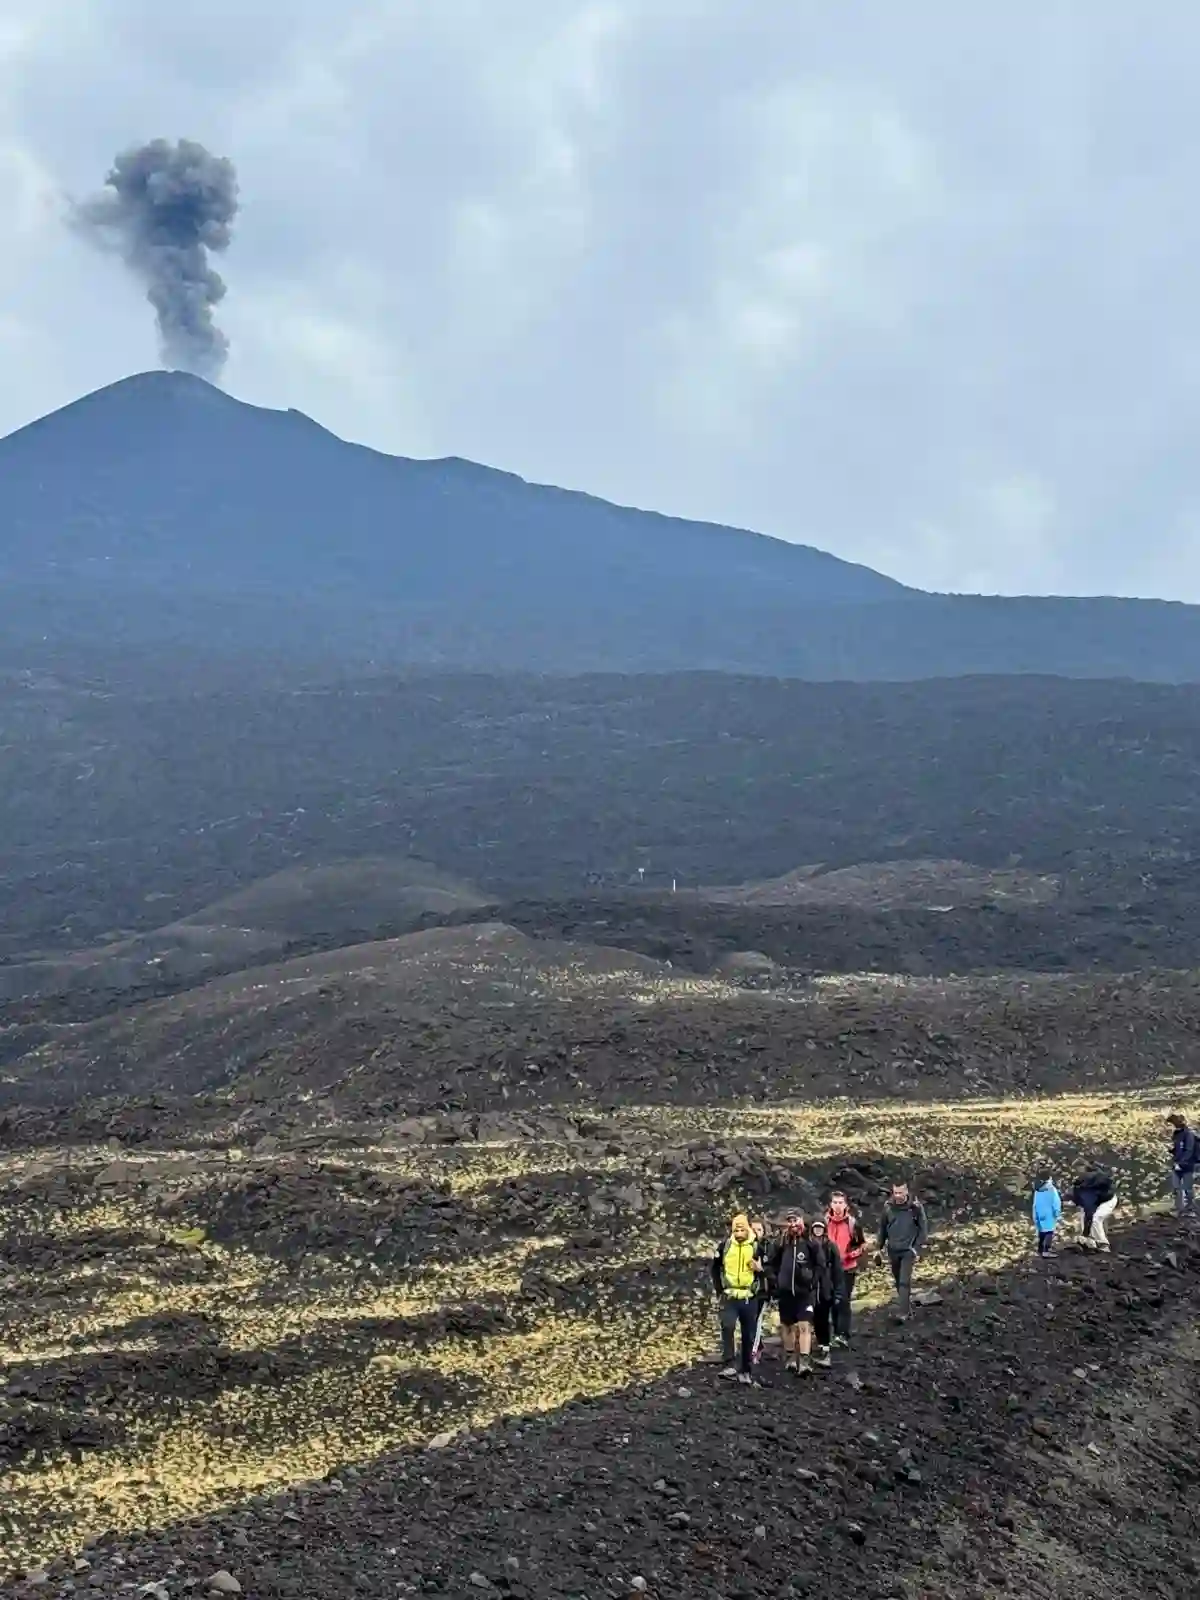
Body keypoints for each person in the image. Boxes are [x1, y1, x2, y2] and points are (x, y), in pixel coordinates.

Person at [711, 1212, 764, 1384]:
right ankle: (729, 1364)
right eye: (736, 1230)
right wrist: (719, 1290)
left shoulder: (757, 1247)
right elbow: (715, 1268)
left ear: (748, 1229)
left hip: (749, 1296)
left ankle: (745, 1369)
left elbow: (769, 1269)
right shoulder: (725, 1246)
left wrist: (760, 1269)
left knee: (748, 1334)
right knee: (727, 1326)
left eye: (742, 1229)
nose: (739, 1233)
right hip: (730, 1295)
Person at [767, 1214, 816, 1376]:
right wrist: (776, 1281)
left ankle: (804, 1361)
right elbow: (770, 1264)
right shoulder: (780, 1243)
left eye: (796, 1220)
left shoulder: (810, 1242)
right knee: (787, 1326)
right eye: (790, 1221)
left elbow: (820, 1265)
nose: (793, 1224)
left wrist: (812, 1281)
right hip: (785, 1292)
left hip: (804, 1293)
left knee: (804, 1325)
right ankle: (790, 1357)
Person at [877, 1180, 929, 1321]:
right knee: (898, 1280)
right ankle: (907, 1308)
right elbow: (882, 1228)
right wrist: (879, 1248)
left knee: (904, 1281)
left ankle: (903, 1313)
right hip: (893, 1249)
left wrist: (916, 1249)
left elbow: (923, 1230)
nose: (898, 1196)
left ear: (906, 1191)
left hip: (908, 1250)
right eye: (895, 1192)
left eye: (900, 1192)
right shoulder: (888, 1207)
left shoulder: (915, 1208)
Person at [824, 1191, 866, 1346]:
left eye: (840, 1202)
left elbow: (862, 1245)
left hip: (848, 1268)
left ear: (846, 1205)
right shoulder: (824, 1222)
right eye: (835, 1202)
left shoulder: (852, 1223)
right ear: (830, 1204)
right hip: (829, 1269)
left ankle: (843, 1334)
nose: (837, 1206)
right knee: (831, 1301)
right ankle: (836, 1333)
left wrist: (849, 1256)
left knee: (843, 1301)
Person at [805, 1217, 844, 1367]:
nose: (818, 1230)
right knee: (813, 1317)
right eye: (815, 1227)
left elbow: (837, 1270)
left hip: (826, 1287)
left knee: (823, 1318)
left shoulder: (830, 1246)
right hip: (812, 1286)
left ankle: (825, 1347)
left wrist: (837, 1291)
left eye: (820, 1228)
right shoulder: (807, 1244)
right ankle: (818, 1345)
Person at [1071, 1169, 1117, 1251]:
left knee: (1096, 1218)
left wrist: (1085, 1233)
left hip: (1108, 1201)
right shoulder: (1081, 1186)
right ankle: (1090, 1239)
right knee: (1084, 1216)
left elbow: (1089, 1213)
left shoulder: (1087, 1194)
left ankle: (1103, 1244)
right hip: (1100, 1198)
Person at [749, 1217, 771, 1365]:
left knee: (756, 1320)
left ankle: (753, 1351)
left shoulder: (768, 1247)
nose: (756, 1232)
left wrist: (761, 1269)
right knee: (748, 1320)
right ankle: (758, 1345)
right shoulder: (744, 1246)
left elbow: (773, 1269)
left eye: (759, 1229)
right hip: (746, 1289)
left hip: (762, 1289)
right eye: (753, 1229)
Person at [1167, 1113, 1198, 1217]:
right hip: (1177, 1164)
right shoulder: (1177, 1134)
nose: (1173, 1124)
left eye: (1174, 1122)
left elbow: (1189, 1150)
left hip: (1187, 1165)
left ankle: (1189, 1210)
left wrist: (1180, 1162)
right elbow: (1178, 1149)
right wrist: (1171, 1151)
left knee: (1187, 1188)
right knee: (1177, 1188)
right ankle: (1179, 1209)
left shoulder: (1189, 1134)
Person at [1031, 1170, 1062, 1256]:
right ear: (1049, 1178)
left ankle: (1040, 1249)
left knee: (1041, 1231)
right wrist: (1057, 1213)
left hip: (1039, 1213)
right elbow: (1056, 1202)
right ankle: (1046, 1251)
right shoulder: (1051, 1189)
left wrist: (1035, 1215)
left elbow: (1035, 1204)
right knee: (1049, 1232)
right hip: (1049, 1214)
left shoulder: (1037, 1190)